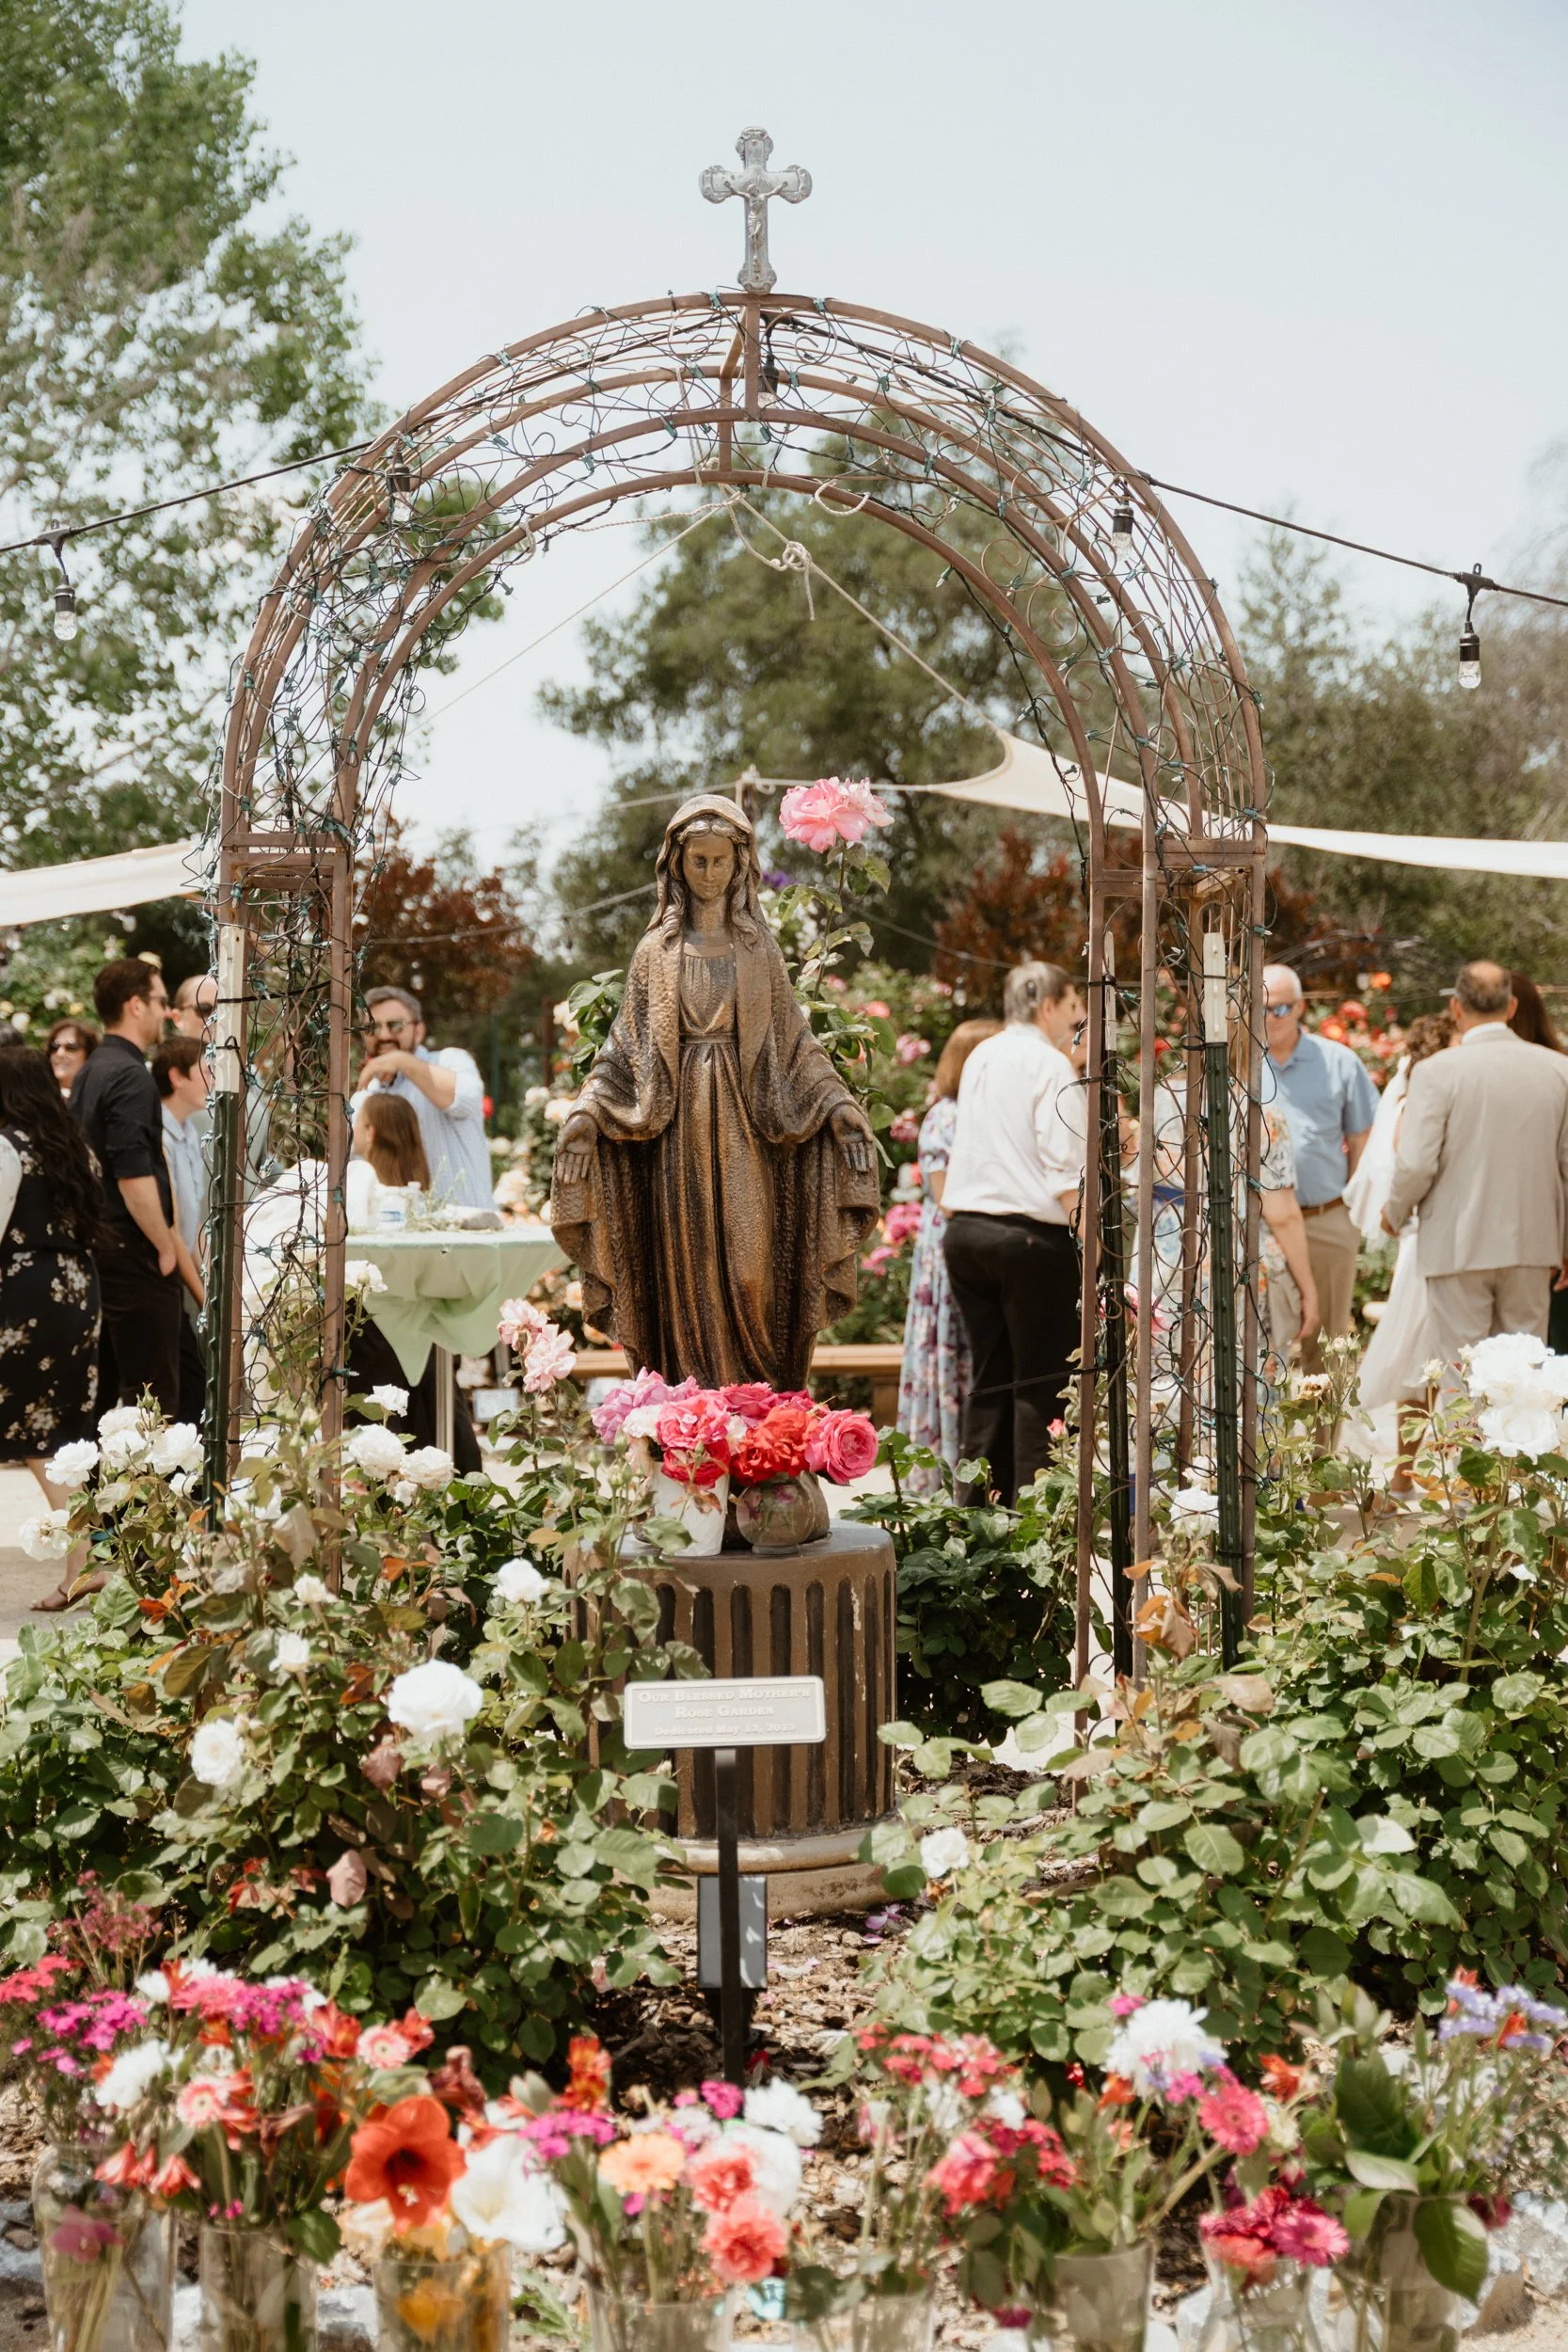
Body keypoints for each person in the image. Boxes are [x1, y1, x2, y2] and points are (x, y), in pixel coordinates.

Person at [551, 795, 879, 1388]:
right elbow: (625, 1045)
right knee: (691, 1268)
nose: (708, 874)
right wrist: (587, 1113)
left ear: (741, 864)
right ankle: (694, 1409)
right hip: (677, 1132)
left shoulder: (760, 951)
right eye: (697, 861)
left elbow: (795, 1040)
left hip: (749, 1124)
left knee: (751, 1268)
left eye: (720, 861)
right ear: (676, 865)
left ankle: (757, 1397)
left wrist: (837, 1105)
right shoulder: (656, 952)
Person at [940, 961, 1087, 1503]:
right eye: (1074, 1008)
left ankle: (975, 1513)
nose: (1077, 1021)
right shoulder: (1049, 1065)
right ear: (1048, 1006)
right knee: (1041, 1386)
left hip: (967, 1235)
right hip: (1028, 1240)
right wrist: (1092, 1247)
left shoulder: (983, 1054)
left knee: (991, 1379)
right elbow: (1063, 1162)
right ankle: (1036, 1518)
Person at [1382, 961, 1568, 1366]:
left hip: (1456, 1246)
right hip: (1532, 1246)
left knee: (1460, 1379)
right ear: (1512, 1006)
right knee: (1525, 1379)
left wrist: (1393, 1213)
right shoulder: (1559, 1070)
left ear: (1457, 1008)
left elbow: (1415, 1165)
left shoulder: (1435, 1073)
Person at [0, 1044, 103, 1610]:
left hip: (21, 1295)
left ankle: (86, 1558)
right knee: (56, 1431)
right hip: (76, 1287)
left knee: (36, 1431)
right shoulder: (75, 1149)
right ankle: (84, 1561)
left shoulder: (7, 1148)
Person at [69, 958, 183, 1416]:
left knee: (107, 1391)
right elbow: (132, 1172)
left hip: (99, 1245)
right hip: (132, 1248)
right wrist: (165, 1244)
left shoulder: (93, 1068)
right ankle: (156, 1489)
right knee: (153, 1396)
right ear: (135, 1005)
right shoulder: (131, 1075)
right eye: (160, 1001)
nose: (166, 1013)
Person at [1349, 1012, 1454, 1492]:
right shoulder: (1419, 1103)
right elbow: (1407, 1165)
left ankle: (1411, 1474)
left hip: (1441, 1240)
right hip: (1432, 1241)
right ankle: (1414, 1473)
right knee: (1426, 1358)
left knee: (1431, 1359)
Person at [895, 1018, 1001, 1484]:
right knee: (951, 1351)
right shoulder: (948, 1115)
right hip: (952, 1249)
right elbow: (945, 1194)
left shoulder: (979, 1112)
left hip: (971, 1243)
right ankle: (945, 1469)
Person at [1261, 963, 1378, 1368]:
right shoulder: (1237, 1065)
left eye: (1280, 1008)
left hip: (1325, 1217)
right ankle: (1261, 1433)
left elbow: (1363, 1137)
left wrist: (1349, 1204)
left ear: (1300, 1008)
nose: (1270, 1018)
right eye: (1260, 1008)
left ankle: (1322, 1436)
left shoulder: (1340, 1062)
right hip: (1258, 1226)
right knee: (1259, 1345)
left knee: (1327, 1350)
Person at [354, 986, 492, 1213]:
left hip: (468, 1230)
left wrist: (402, 1061)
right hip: (404, 1234)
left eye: (396, 1025)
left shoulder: (449, 1061)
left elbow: (466, 1100)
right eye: (373, 1027)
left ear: (418, 1031)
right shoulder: (367, 1093)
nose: (384, 1035)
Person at [152, 1035, 211, 1425]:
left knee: (192, 1387)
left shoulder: (190, 1132)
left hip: (185, 1271)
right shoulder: (159, 1132)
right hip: (162, 1278)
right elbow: (171, 1226)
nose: (213, 1078)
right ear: (177, 1076)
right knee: (181, 1392)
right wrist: (204, 1296)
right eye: (206, 1070)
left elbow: (195, 1223)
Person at [45, 1018, 100, 1100]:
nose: (60, 1054)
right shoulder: (37, 1096)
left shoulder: (100, 1098)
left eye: (71, 1047)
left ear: (89, 1054)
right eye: (55, 1047)